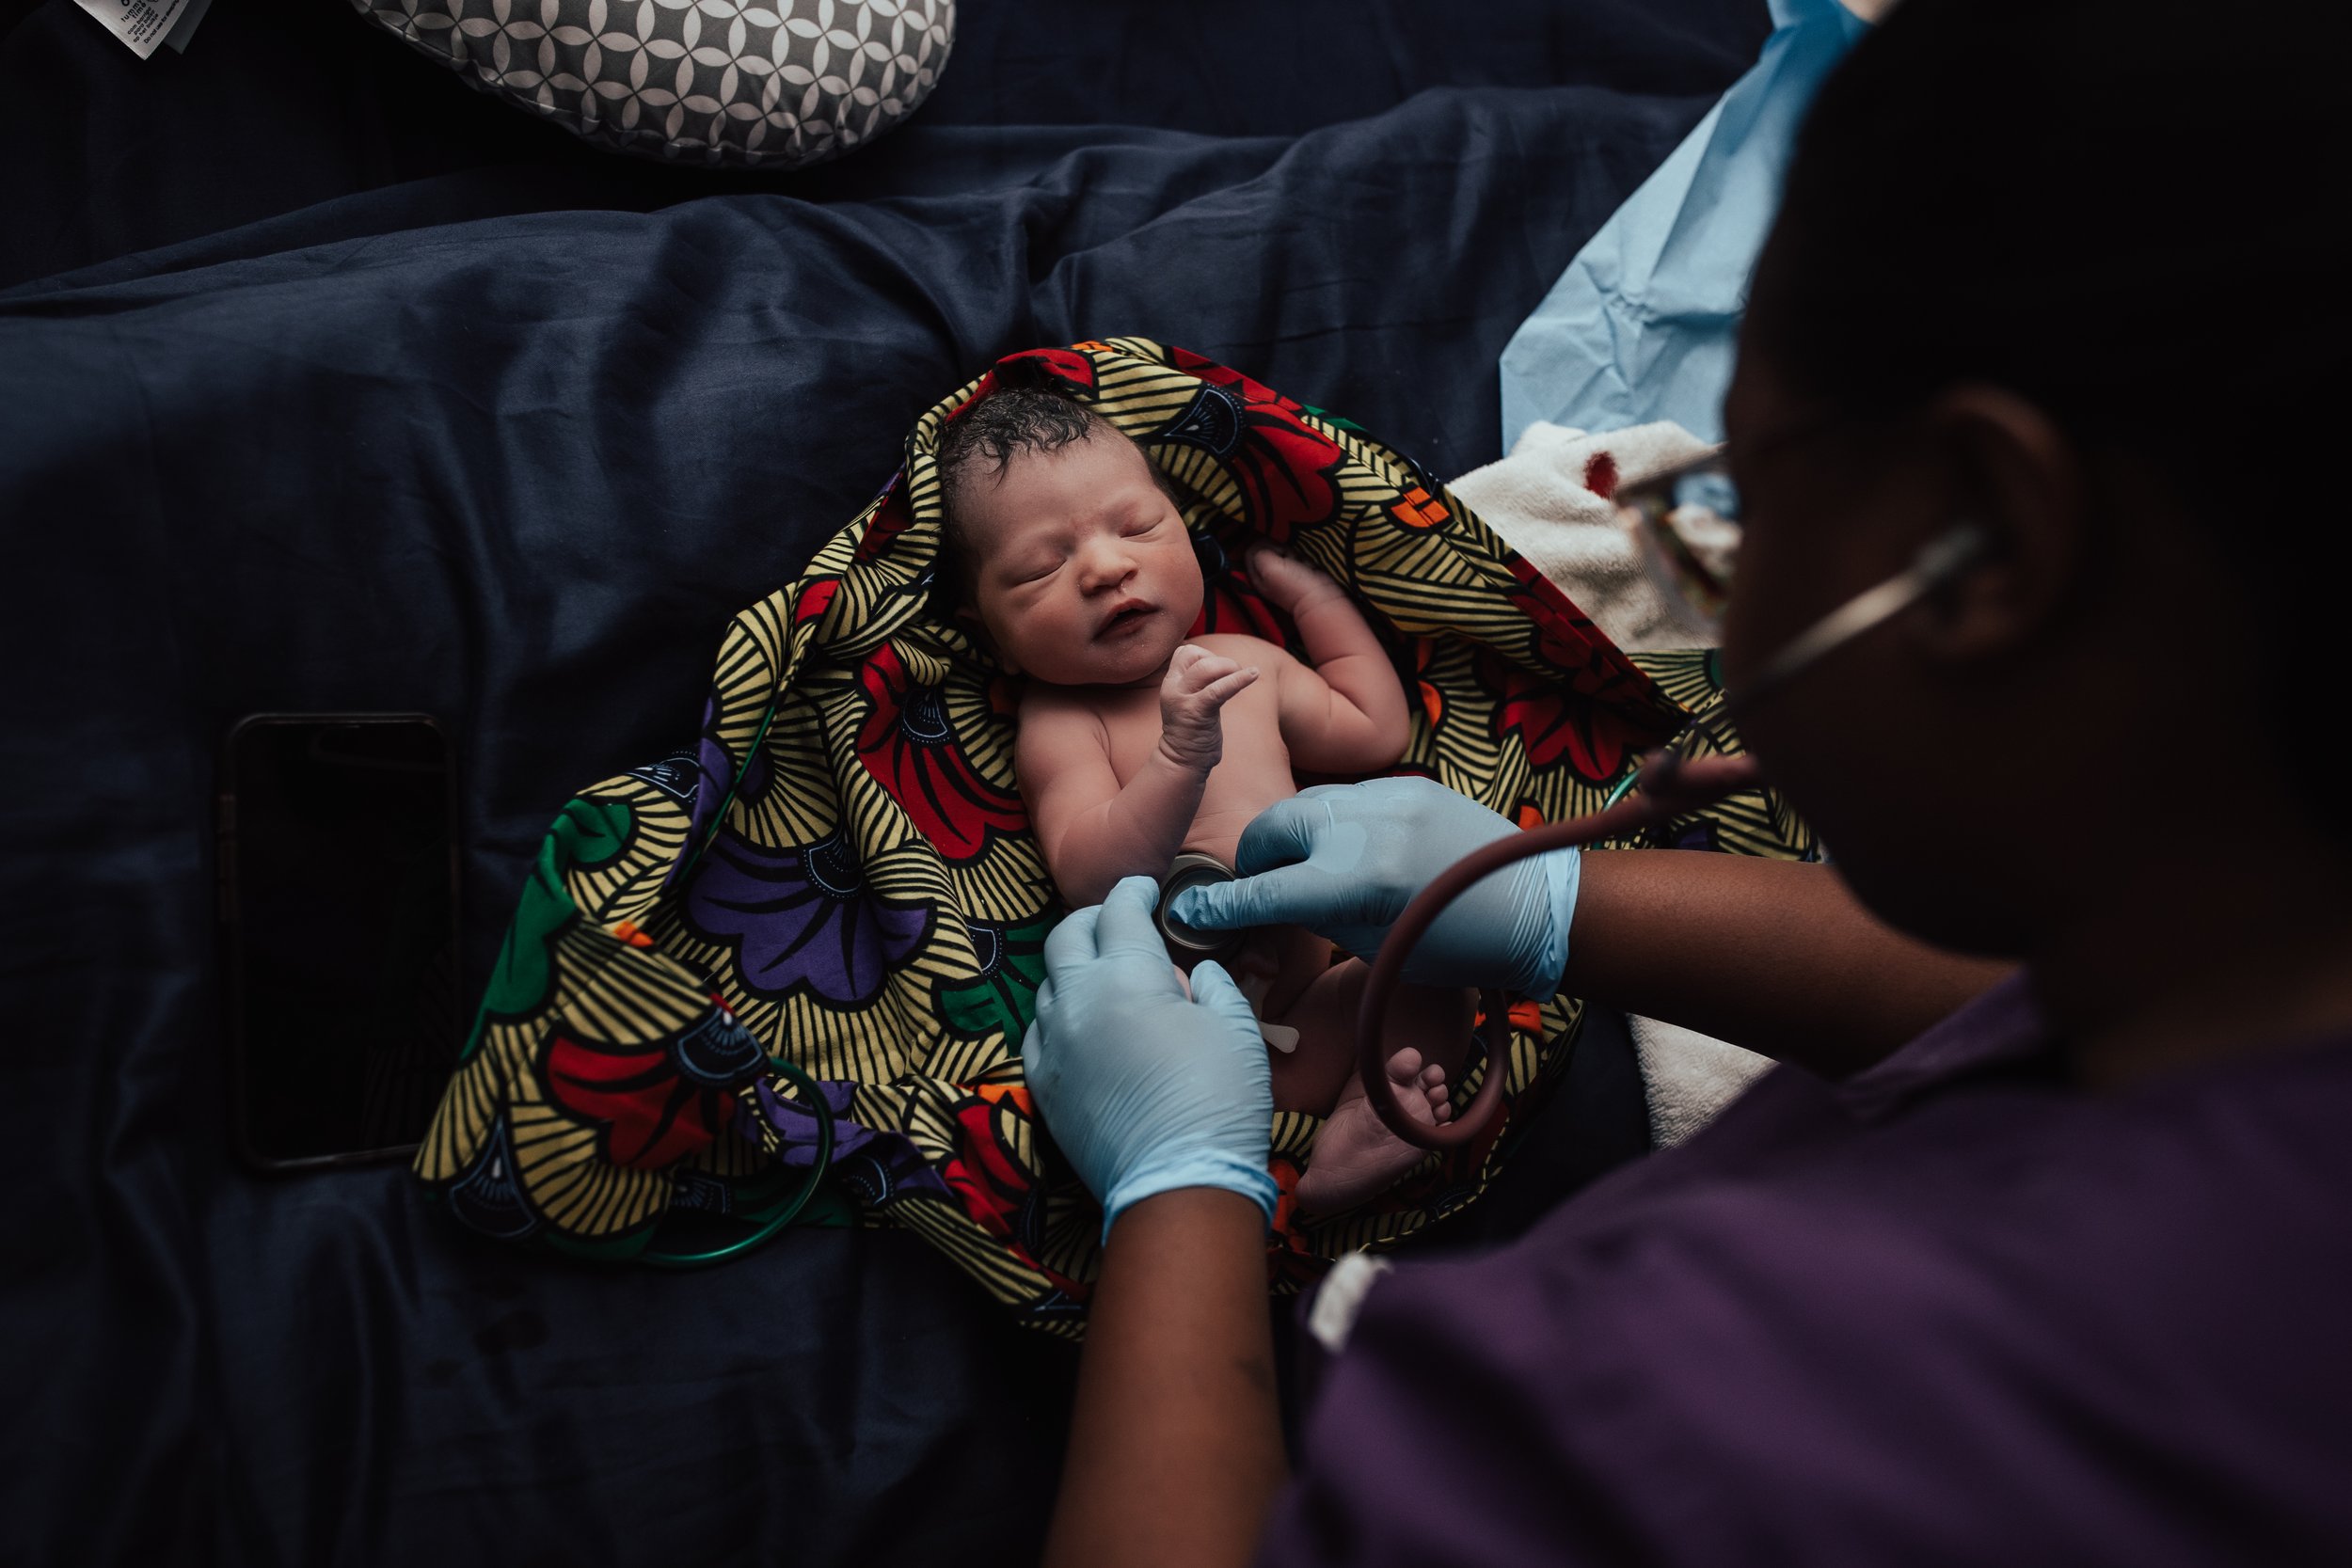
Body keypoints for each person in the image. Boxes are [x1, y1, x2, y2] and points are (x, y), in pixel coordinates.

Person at [1018, 0, 2352, 1561]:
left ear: (1984, 544)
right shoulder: (2240, 946)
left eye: (1734, 497)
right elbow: (2035, 999)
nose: (1715, 566)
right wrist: (1549, 901)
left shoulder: (1665, 1403)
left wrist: (1181, 1194)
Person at [941, 391, 1498, 1213]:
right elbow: (1093, 875)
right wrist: (1177, 758)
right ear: (985, 629)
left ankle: (1366, 1120)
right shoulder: (1063, 722)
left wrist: (1315, 604)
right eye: (1040, 568)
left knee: (1440, 962)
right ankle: (1287, 1142)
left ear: (1185, 532)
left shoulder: (1245, 659)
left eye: (1137, 527)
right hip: (1189, 1034)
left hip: (1318, 1006)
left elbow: (1374, 730)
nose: (1104, 567)